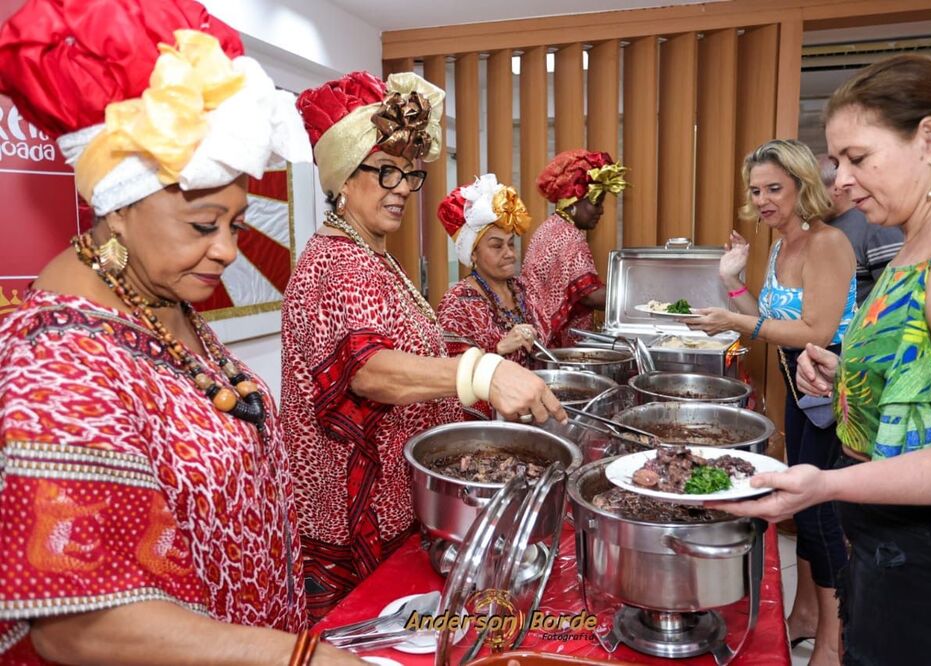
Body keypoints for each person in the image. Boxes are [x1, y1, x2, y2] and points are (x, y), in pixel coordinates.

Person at [0, 1, 362, 664]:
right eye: (203, 226)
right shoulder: (56, 361)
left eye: (234, 223)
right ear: (116, 209)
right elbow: (82, 625)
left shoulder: (161, 302)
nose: (227, 251)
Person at [717, 55, 931, 666]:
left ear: (929, 139)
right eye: (837, 161)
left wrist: (825, 486)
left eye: (857, 158)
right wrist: (851, 376)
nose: (839, 179)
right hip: (892, 535)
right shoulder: (920, 233)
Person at [282, 72, 566, 621]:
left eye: (410, 174)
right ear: (343, 176)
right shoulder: (335, 262)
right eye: (384, 170)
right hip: (348, 516)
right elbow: (367, 372)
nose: (400, 187)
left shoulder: (372, 256)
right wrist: (482, 373)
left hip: (396, 499)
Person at [686, 139, 856, 666]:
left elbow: (817, 329)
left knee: (826, 519)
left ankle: (834, 641)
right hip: (797, 389)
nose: (762, 200)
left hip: (832, 393)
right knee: (804, 512)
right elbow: (770, 323)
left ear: (803, 185)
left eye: (774, 188)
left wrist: (735, 322)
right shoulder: (782, 245)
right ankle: (806, 614)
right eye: (756, 190)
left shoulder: (828, 243)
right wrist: (731, 281)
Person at [437, 174, 549, 370]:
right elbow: (450, 372)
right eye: (497, 246)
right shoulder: (457, 305)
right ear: (473, 254)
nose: (509, 254)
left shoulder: (522, 288)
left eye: (511, 244)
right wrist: (499, 347)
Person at [521, 149, 627, 347]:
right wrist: (639, 297)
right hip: (557, 347)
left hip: (539, 340)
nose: (601, 210)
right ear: (573, 202)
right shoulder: (569, 236)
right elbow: (591, 296)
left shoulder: (552, 227)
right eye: (596, 202)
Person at [818, 152, 904, 304]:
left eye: (811, 189)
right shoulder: (819, 227)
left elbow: (896, 295)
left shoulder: (874, 226)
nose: (803, 197)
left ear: (837, 188)